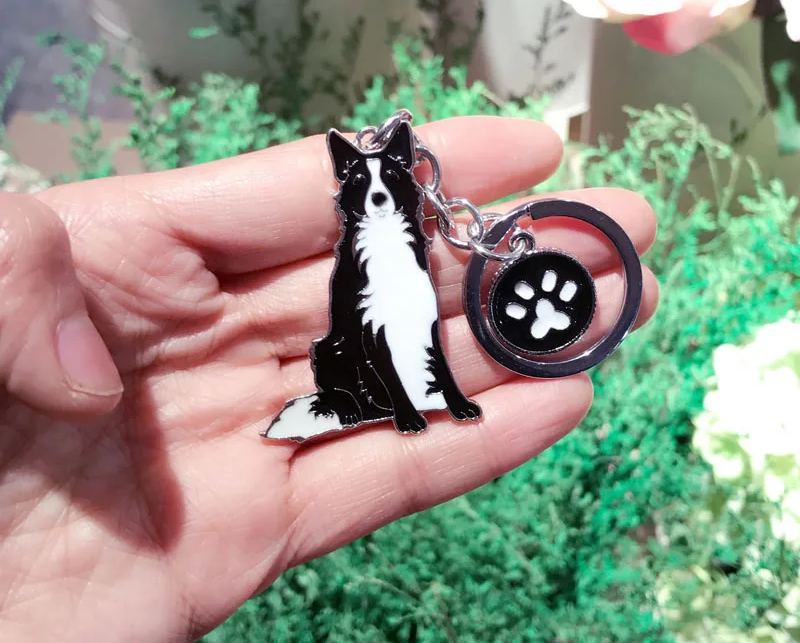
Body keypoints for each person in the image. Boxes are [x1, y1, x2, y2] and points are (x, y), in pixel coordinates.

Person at [0, 116, 657, 642]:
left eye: (387, 180)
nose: (377, 193)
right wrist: (403, 408)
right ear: (348, 186)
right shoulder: (359, 256)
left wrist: (447, 394)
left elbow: (423, 333)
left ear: (403, 179)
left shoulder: (417, 252)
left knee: (427, 333)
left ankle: (425, 397)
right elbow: (367, 337)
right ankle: (390, 403)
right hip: (351, 368)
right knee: (372, 345)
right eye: (363, 184)